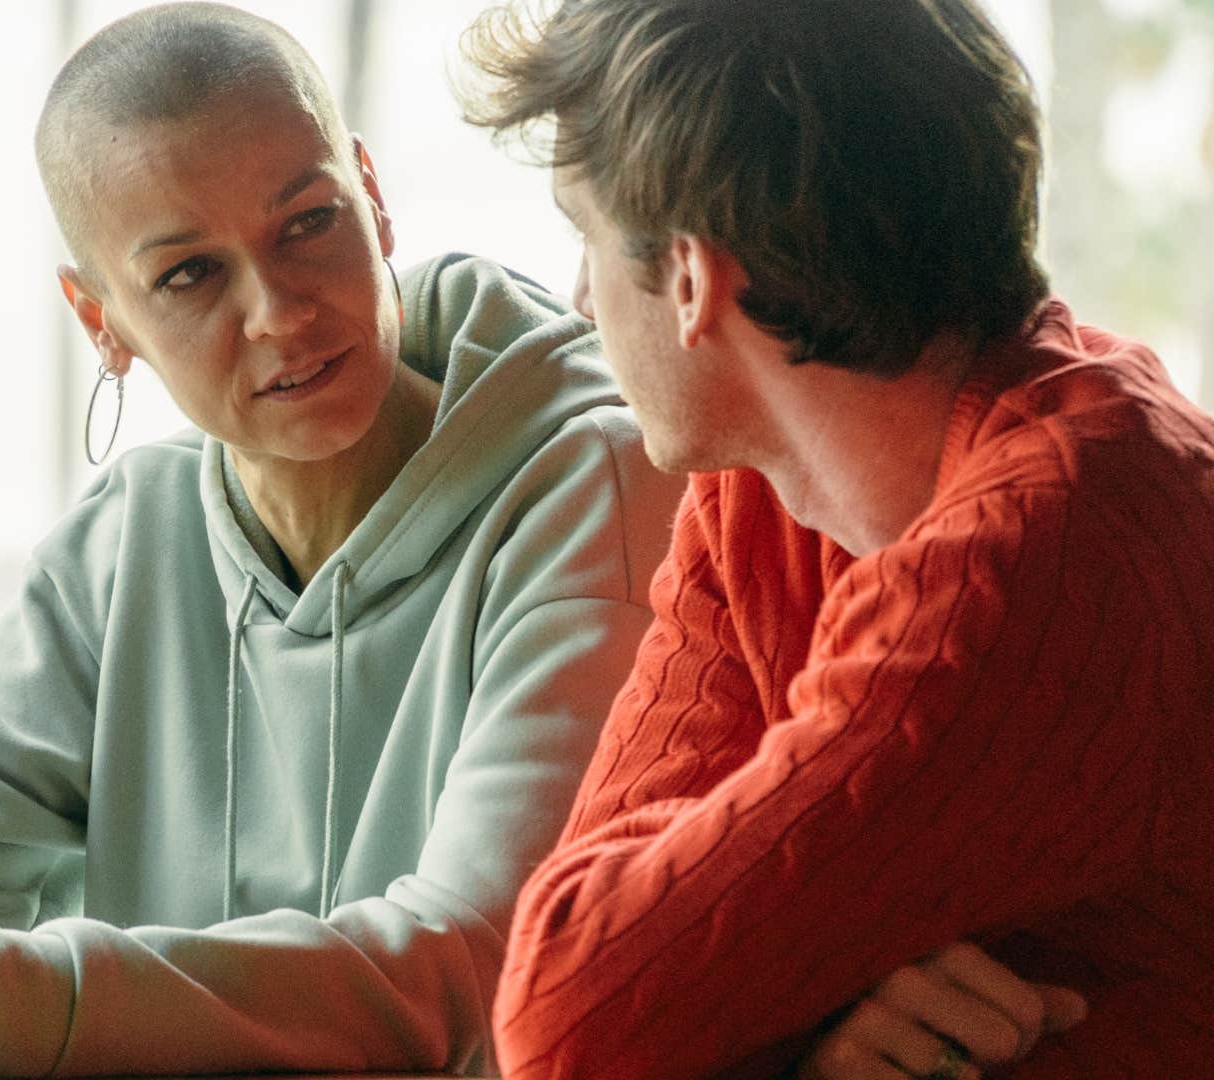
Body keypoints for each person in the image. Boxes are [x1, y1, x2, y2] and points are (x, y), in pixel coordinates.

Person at [0, 4, 686, 1075]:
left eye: (308, 221)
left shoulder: (597, 483)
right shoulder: (126, 539)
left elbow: (477, 967)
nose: (279, 312)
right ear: (102, 319)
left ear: (374, 195)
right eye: (189, 274)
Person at [462, 1, 1214, 1078]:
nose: (580, 299)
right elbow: (588, 948)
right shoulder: (760, 481)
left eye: (582, 234)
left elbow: (569, 1018)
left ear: (691, 277)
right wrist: (811, 1029)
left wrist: (754, 1006)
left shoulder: (1050, 545)